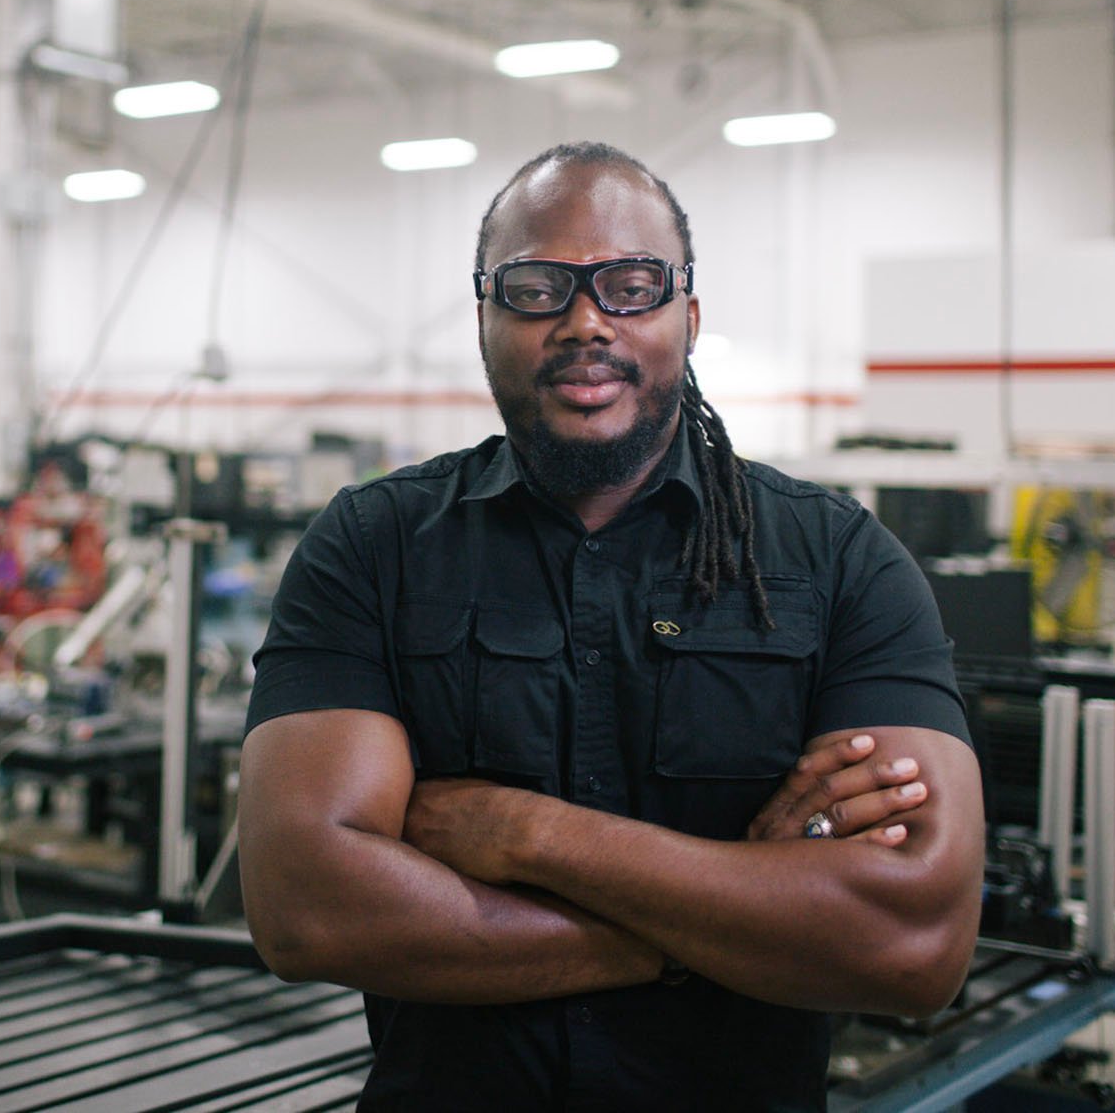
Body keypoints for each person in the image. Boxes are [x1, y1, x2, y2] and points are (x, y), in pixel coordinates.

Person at [238, 142, 983, 1111]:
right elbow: (307, 911)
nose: (586, 322)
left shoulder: (840, 562)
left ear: (689, 316)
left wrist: (524, 833)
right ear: (483, 319)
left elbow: (913, 944)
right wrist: (720, 928)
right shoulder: (374, 546)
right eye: (535, 288)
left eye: (632, 287)